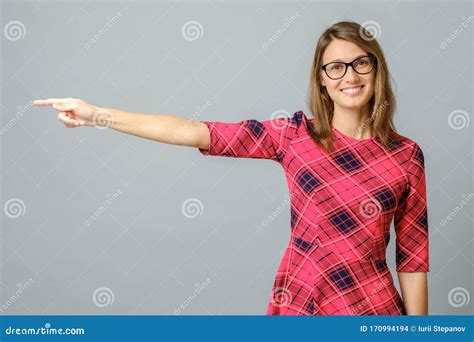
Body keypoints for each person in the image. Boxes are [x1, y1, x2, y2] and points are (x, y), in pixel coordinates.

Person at [33, 20, 429, 315]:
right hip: (303, 299)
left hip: (371, 308)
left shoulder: (406, 155)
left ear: (377, 70)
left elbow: (413, 257)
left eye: (361, 62)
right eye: (335, 67)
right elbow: (193, 131)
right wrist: (95, 115)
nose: (350, 76)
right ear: (322, 81)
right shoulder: (293, 136)